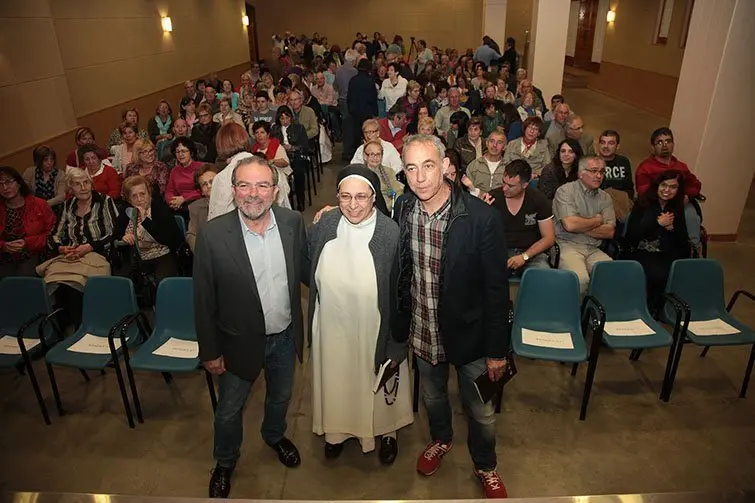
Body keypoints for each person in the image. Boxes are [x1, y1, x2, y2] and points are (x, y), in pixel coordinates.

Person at [394, 135, 509, 499]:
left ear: (446, 166)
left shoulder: (482, 219)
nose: (420, 177)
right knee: (433, 396)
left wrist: (497, 350)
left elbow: (495, 290)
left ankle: (485, 465)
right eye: (411, 168)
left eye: (428, 166)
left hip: (471, 336)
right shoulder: (404, 209)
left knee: (482, 411)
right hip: (423, 330)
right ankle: (441, 439)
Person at [194, 156, 308, 499]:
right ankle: (225, 461)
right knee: (229, 410)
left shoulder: (292, 222)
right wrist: (210, 352)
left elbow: (308, 268)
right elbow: (203, 299)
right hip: (236, 343)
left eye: (262, 185)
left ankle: (274, 435)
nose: (253, 194)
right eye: (244, 185)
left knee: (281, 396)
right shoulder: (214, 235)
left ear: (275, 191)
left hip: (284, 337)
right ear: (233, 191)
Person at [307, 165, 412, 463]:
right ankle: (337, 432)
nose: (353, 205)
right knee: (338, 380)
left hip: (375, 328)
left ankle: (387, 432)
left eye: (361, 197)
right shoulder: (326, 224)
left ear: (374, 197)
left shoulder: (390, 233)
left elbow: (402, 292)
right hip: (332, 326)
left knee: (379, 384)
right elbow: (306, 263)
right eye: (345, 196)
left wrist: (396, 342)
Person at [48, 168, 119, 327]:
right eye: (77, 184)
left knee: (74, 285)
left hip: (98, 253)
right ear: (70, 189)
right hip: (71, 254)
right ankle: (63, 329)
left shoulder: (104, 201)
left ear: (91, 184)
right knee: (57, 284)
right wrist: (61, 248)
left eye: (86, 182)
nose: (83, 187)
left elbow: (115, 232)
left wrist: (90, 246)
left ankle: (84, 326)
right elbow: (55, 235)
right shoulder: (68, 205)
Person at [626, 170, 691, 309]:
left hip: (668, 251)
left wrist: (672, 228)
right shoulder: (643, 203)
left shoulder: (677, 207)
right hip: (643, 250)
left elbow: (683, 240)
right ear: (657, 185)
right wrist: (657, 223)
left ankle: (667, 309)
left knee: (681, 271)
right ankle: (649, 309)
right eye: (664, 185)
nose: (667, 190)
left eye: (673, 187)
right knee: (657, 273)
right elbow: (631, 235)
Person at [553, 156, 615, 294]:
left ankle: (599, 314)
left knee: (612, 275)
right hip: (568, 245)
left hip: (594, 248)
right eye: (593, 171)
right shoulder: (565, 191)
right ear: (581, 173)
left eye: (602, 172)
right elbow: (570, 225)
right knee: (580, 280)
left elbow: (609, 232)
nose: (598, 176)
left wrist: (580, 224)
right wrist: (597, 221)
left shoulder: (605, 197)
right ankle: (576, 314)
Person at [485, 160, 555, 276]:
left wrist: (525, 256)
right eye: (504, 183)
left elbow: (549, 238)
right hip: (500, 251)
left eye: (511, 186)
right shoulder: (493, 198)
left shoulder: (538, 199)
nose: (504, 188)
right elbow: (480, 235)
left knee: (543, 275)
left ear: (525, 185)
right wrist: (483, 213)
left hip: (531, 253)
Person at [635, 127, 702, 246]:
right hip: (655, 205)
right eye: (659, 142)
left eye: (668, 141)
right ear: (653, 147)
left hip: (680, 204)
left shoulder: (681, 166)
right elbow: (643, 192)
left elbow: (695, 185)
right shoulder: (645, 168)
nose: (664, 145)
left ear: (673, 144)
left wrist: (686, 195)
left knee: (691, 216)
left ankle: (693, 250)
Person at [116, 176, 183, 283]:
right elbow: (116, 233)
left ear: (149, 193)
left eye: (142, 194)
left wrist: (145, 220)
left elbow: (169, 239)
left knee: (162, 282)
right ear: (129, 199)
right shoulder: (127, 211)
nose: (139, 199)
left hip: (164, 255)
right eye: (134, 196)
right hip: (138, 257)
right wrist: (123, 236)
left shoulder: (160, 209)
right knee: (120, 281)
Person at [0, 166, 56, 278]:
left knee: (22, 277)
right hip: (4, 254)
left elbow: (53, 233)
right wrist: (3, 246)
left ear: (19, 183)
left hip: (34, 252)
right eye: (0, 184)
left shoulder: (39, 205)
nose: (5, 187)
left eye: (9, 182)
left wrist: (27, 242)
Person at [271, 106, 309, 210]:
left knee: (298, 172)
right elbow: (272, 144)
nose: (285, 121)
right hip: (281, 155)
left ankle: (301, 199)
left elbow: (305, 146)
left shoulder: (299, 127)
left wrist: (292, 147)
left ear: (291, 118)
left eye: (287, 118)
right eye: (282, 118)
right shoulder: (275, 129)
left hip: (296, 155)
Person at [347, 58, 379, 159]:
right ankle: (369, 153)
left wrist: (350, 109)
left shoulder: (352, 80)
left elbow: (349, 97)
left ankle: (356, 156)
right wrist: (376, 113)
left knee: (356, 134)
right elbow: (373, 98)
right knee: (369, 134)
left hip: (355, 112)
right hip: (367, 111)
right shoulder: (370, 81)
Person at [362, 141, 404, 214]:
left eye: (378, 154)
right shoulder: (359, 173)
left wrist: (393, 206)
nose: (375, 158)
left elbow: (398, 192)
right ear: (365, 156)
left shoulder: (389, 172)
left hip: (387, 209)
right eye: (372, 154)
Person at [187, 164, 220, 252]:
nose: (209, 186)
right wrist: (201, 255)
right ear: (201, 191)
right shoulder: (195, 208)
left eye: (212, 181)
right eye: (204, 184)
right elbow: (192, 234)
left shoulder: (234, 202)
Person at [165, 137, 203, 214]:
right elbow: (169, 191)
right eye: (177, 152)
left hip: (198, 202)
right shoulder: (175, 170)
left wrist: (184, 198)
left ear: (191, 152)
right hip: (179, 204)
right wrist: (172, 201)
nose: (180, 154)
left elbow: (203, 190)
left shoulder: (201, 167)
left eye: (184, 151)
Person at [463, 130, 507, 195]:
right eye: (492, 141)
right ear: (487, 143)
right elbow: (468, 193)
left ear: (505, 147)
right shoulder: (474, 165)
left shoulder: (508, 168)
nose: (495, 145)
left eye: (499, 142)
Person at [335, 49, 359, 160]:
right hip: (351, 101)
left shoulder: (338, 70)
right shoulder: (354, 72)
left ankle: (346, 150)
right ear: (353, 60)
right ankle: (350, 151)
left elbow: (335, 86)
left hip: (341, 101)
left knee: (345, 126)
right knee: (351, 127)